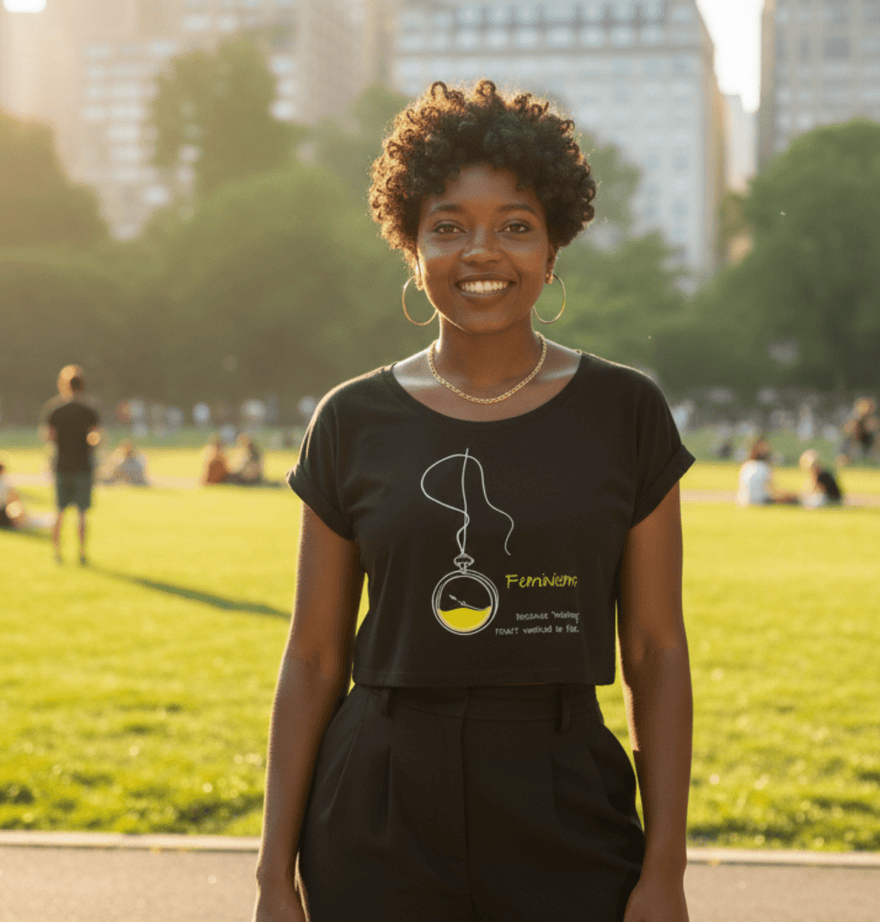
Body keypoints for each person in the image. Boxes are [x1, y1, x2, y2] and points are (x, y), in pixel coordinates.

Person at [253, 81, 695, 922]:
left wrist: (665, 870)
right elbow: (312, 657)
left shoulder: (625, 411)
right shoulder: (351, 419)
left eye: (515, 226)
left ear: (553, 246)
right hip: (378, 802)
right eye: (448, 226)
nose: (481, 251)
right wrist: (273, 873)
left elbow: (654, 649)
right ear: (412, 247)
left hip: (566, 799)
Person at [39, 365, 101, 565]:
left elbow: (48, 437)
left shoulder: (55, 409)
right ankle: (82, 553)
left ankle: (57, 553)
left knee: (59, 511)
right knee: (82, 513)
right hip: (83, 466)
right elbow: (96, 438)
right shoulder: (88, 410)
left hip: (62, 465)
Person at [736, 437, 798, 506]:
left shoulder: (746, 465)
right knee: (790, 499)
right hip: (759, 500)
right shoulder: (765, 467)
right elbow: (773, 490)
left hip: (744, 500)